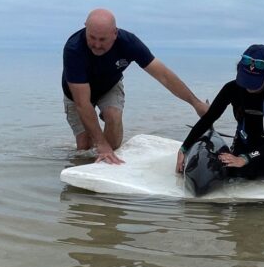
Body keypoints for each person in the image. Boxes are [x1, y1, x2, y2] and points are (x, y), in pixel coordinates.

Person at [62, 9, 209, 164]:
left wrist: (196, 103)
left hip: (109, 86)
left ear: (115, 33)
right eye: (92, 37)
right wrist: (101, 144)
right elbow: (83, 103)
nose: (97, 45)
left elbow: (164, 76)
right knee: (84, 147)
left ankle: (109, 164)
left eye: (103, 39)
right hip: (77, 95)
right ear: (85, 28)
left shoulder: (128, 43)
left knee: (113, 117)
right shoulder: (74, 49)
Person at [175, 45, 264, 182]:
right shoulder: (231, 88)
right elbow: (208, 119)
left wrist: (246, 158)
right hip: (245, 141)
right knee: (238, 174)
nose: (248, 86)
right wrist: (184, 148)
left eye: (254, 82)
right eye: (245, 79)